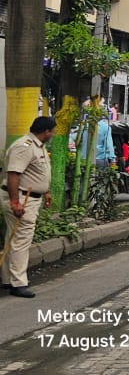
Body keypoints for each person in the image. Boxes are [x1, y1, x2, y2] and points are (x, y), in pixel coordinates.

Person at [2, 117, 55, 298]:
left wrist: (45, 191)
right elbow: (13, 175)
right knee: (21, 241)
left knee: (13, 238)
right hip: (22, 199)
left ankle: (7, 279)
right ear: (46, 131)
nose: (53, 134)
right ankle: (18, 283)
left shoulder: (37, 146)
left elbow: (36, 173)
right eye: (52, 131)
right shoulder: (23, 146)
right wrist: (15, 201)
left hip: (31, 197)